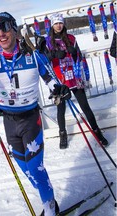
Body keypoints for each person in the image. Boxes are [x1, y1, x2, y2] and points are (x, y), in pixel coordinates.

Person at [0, 12, 71, 216]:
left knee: (36, 168)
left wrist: (59, 88)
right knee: (26, 170)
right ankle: (50, 200)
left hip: (30, 119)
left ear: (14, 29)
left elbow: (51, 79)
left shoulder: (34, 55)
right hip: (9, 122)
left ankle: (50, 210)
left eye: (4, 27)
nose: (0, 33)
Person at [43, 13, 109, 149]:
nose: (58, 26)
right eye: (56, 23)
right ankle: (63, 134)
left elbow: (78, 56)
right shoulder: (47, 41)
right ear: (52, 25)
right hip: (59, 80)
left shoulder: (71, 38)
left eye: (60, 23)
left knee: (85, 106)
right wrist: (53, 54)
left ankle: (97, 132)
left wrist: (74, 53)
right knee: (61, 110)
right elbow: (43, 60)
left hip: (74, 77)